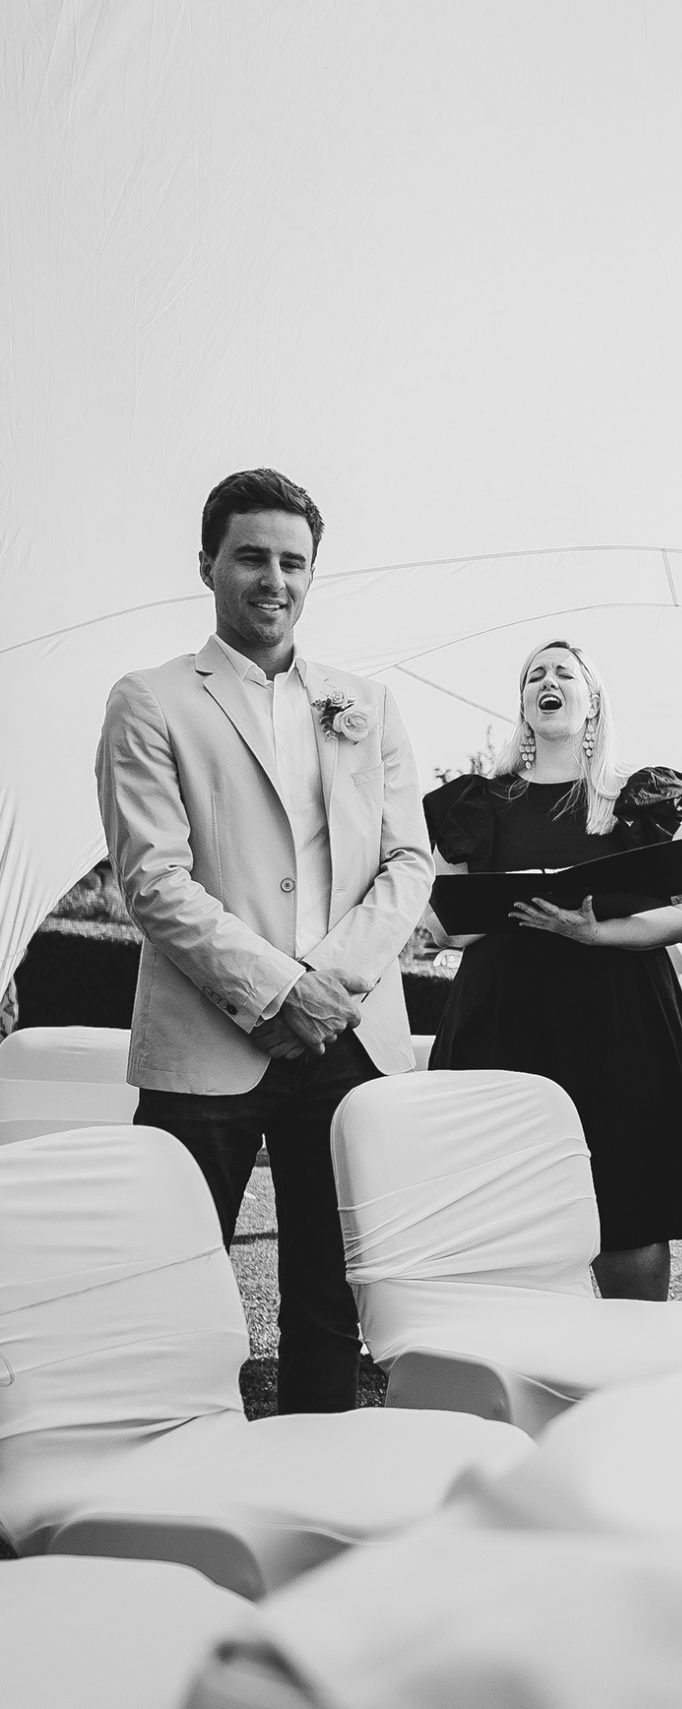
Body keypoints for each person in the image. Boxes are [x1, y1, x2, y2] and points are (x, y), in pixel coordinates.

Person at [95, 468, 431, 1412]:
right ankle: (163, 1472)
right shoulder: (149, 699)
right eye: (251, 556)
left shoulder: (368, 703)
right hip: (207, 1043)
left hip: (348, 1041)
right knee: (169, 1293)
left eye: (293, 561)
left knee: (330, 1301)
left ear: (313, 574)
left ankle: (316, 1478)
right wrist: (281, 991)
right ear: (207, 562)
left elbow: (408, 863)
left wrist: (326, 986)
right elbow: (154, 881)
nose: (273, 579)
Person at [421, 641, 682, 1302]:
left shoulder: (640, 797)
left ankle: (630, 1355)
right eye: (534, 675)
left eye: (563, 672)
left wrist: (595, 931)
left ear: (593, 701)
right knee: (504, 1210)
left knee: (627, 1206)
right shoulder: (475, 802)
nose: (546, 681)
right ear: (523, 703)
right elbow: (447, 925)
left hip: (621, 1025)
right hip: (505, 1023)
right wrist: (515, 899)